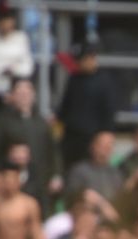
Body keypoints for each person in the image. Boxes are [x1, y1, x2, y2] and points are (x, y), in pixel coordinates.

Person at [0, 78, 62, 215]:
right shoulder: (2, 122)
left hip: (40, 180)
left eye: (27, 91)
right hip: (13, 179)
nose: (24, 95)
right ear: (12, 95)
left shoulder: (42, 123)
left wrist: (56, 174)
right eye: (19, 91)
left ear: (33, 94)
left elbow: (52, 151)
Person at [56, 41, 115, 170]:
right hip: (71, 136)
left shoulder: (104, 81)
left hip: (91, 137)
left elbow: (109, 111)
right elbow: (66, 106)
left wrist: (106, 133)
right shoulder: (74, 78)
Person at [65, 131, 123, 203]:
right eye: (103, 145)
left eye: (110, 145)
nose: (107, 149)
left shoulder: (115, 174)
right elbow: (72, 198)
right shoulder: (79, 171)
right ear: (93, 146)